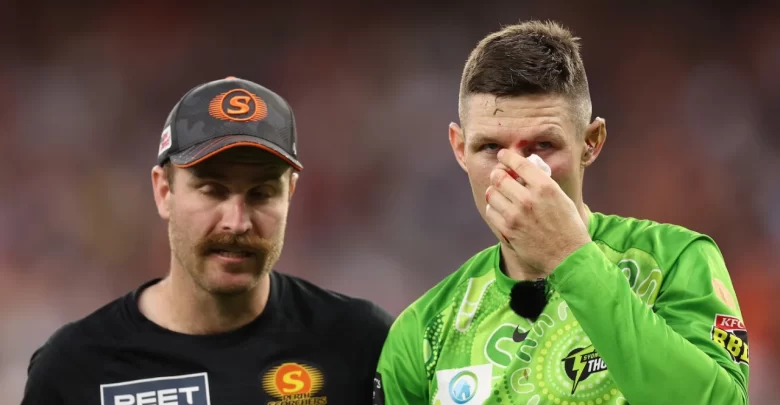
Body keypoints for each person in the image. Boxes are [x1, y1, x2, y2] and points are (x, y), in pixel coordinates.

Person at [374, 20, 749, 405]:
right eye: (489, 148)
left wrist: (569, 255)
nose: (515, 172)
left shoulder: (676, 261)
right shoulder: (423, 331)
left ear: (590, 142)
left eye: (542, 145)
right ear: (459, 148)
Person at [22, 76, 393, 405]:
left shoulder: (362, 344)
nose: (237, 222)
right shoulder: (76, 369)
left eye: (262, 193)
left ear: (290, 194)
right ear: (164, 191)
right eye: (212, 190)